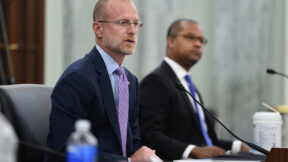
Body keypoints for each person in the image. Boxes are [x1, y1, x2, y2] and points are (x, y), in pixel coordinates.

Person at [44, 0, 160, 161]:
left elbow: (131, 141)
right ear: (98, 29)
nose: (133, 31)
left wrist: (149, 157)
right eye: (123, 23)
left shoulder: (130, 81)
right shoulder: (77, 79)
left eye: (136, 23)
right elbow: (66, 151)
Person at [139, 19, 250, 161]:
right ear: (171, 41)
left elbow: (205, 143)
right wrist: (191, 150)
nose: (198, 44)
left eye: (201, 40)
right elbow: (150, 135)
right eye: (190, 37)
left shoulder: (188, 85)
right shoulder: (156, 81)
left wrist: (236, 146)